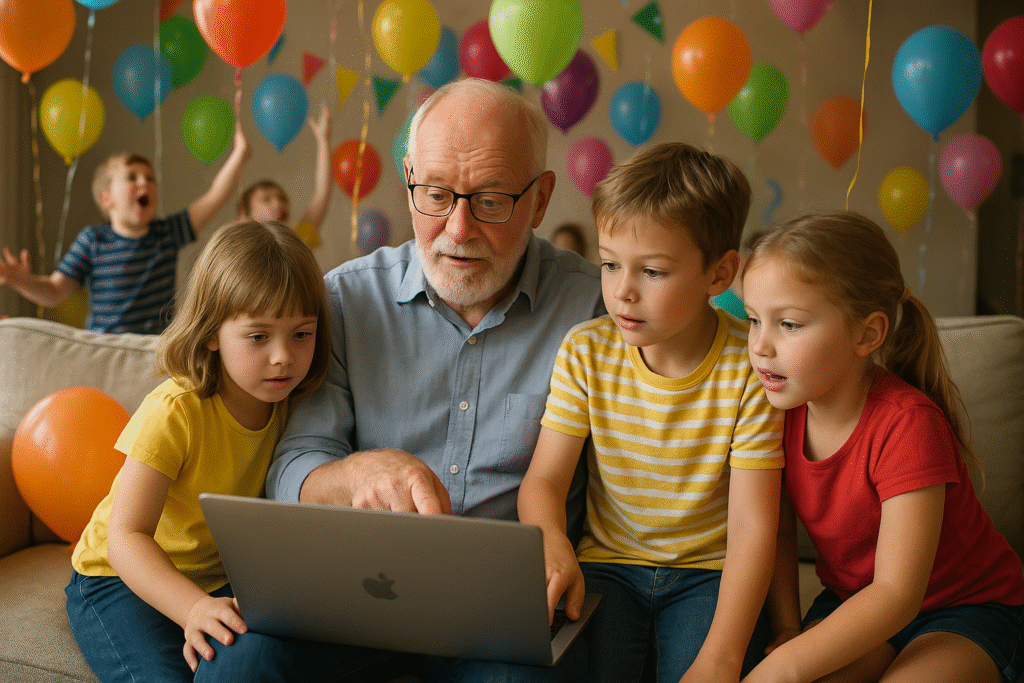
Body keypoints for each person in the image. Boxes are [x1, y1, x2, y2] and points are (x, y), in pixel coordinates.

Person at [194, 77, 604, 682]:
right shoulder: (342, 300)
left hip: (504, 620)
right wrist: (359, 472)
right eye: (436, 195)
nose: (457, 230)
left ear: (541, 200)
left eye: (490, 200)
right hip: (353, 597)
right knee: (237, 667)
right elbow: (291, 470)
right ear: (409, 178)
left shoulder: (593, 309)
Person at [519, 142, 785, 683]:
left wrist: (722, 657)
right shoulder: (585, 351)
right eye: (611, 264)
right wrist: (552, 541)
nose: (622, 292)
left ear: (719, 275)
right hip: (608, 570)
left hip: (709, 575)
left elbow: (755, 527)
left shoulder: (750, 367)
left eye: (653, 272)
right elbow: (543, 481)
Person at [741, 212, 1024, 683]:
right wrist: (789, 628)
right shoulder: (776, 410)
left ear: (867, 334)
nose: (760, 347)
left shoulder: (908, 424)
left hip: (963, 608)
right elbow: (778, 532)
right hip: (854, 602)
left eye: (788, 324)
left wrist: (783, 669)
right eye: (753, 320)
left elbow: (897, 593)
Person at [65, 220, 331, 682]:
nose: (283, 356)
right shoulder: (175, 411)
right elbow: (126, 538)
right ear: (211, 333)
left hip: (220, 580)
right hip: (116, 578)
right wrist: (191, 608)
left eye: (301, 334)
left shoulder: (297, 405)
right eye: (258, 336)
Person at [0, 127, 251, 334]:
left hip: (154, 348)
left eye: (150, 178)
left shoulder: (166, 233)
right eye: (132, 177)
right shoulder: (93, 240)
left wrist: (239, 153)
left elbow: (214, 197)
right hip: (106, 347)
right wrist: (20, 280)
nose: (144, 182)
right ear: (106, 198)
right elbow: (54, 292)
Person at [238, 102, 334, 249]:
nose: (278, 203)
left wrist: (323, 141)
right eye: (266, 199)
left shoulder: (296, 240)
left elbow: (322, 194)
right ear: (246, 215)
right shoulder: (241, 249)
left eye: (282, 198)